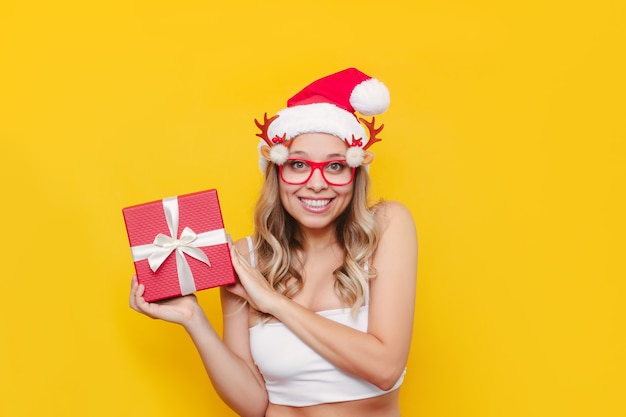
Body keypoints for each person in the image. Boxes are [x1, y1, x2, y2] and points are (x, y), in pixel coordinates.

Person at [129, 67, 418, 417]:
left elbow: (385, 369)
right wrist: (194, 319)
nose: (316, 183)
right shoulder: (245, 257)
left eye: (336, 166)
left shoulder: (387, 227)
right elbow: (254, 404)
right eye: (298, 164)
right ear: (276, 174)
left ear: (355, 173)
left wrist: (272, 302)